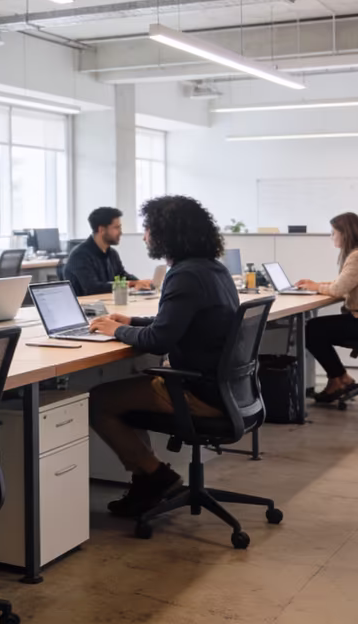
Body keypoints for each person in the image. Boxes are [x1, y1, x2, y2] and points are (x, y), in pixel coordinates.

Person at [85, 196, 239, 518]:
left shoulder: (184, 274)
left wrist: (114, 331)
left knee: (97, 401)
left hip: (199, 391)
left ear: (166, 233)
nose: (144, 236)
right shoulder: (213, 269)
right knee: (126, 390)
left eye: (147, 229)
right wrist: (132, 322)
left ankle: (155, 474)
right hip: (228, 387)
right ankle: (144, 481)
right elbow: (180, 322)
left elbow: (159, 340)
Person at [296, 212, 358, 403]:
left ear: (345, 234)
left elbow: (338, 290)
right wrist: (316, 284)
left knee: (311, 329)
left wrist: (316, 287)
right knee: (314, 327)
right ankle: (340, 378)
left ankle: (338, 379)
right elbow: (344, 283)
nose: (332, 237)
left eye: (333, 232)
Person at [64, 207, 154, 296]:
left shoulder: (112, 253)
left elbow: (121, 275)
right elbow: (92, 288)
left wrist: (140, 282)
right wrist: (132, 284)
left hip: (107, 305)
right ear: (102, 230)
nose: (120, 232)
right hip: (86, 308)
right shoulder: (80, 255)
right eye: (116, 228)